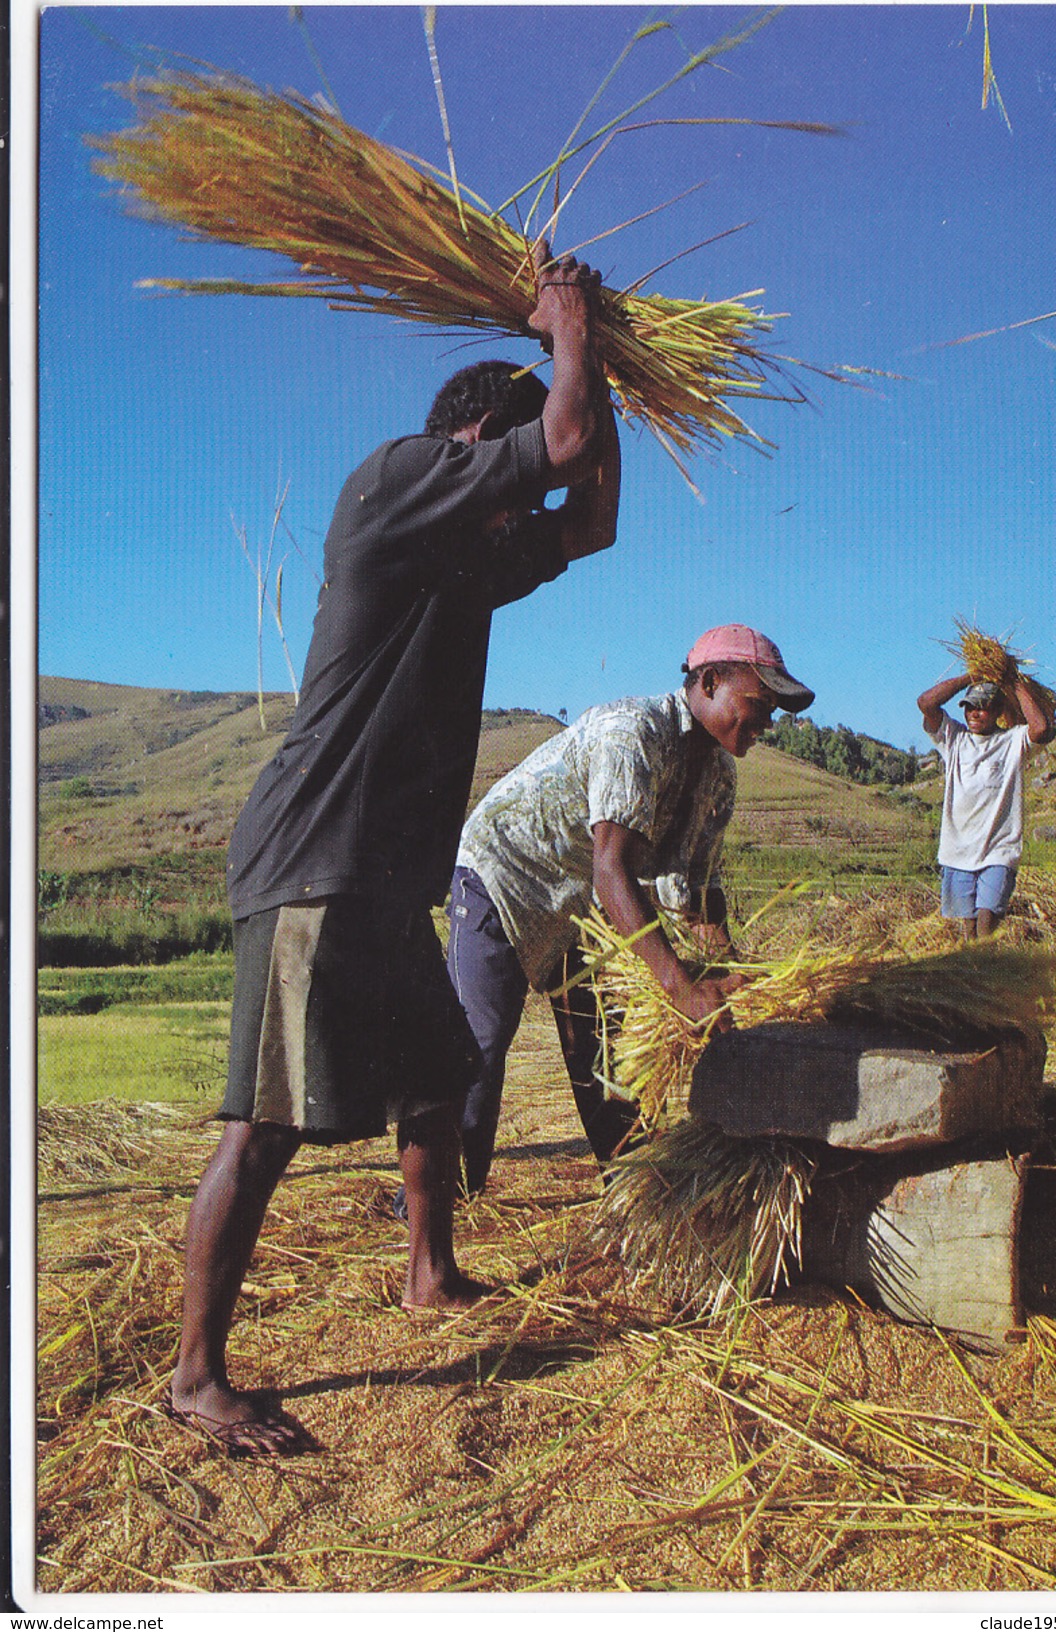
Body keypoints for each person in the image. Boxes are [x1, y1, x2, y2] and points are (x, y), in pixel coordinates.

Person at [166, 241, 618, 1453]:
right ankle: (195, 1373)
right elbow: (559, 451)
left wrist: (597, 362)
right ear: (471, 443)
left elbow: (594, 517)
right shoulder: (394, 481)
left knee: (433, 1080)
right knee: (265, 1124)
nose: (521, 507)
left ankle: (429, 1273)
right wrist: (565, 325)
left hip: (386, 874)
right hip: (316, 856)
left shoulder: (464, 561)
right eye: (508, 472)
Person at [394, 624, 815, 1209]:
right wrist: (680, 988)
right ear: (711, 681)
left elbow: (697, 901)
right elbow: (611, 870)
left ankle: (633, 1185)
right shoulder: (632, 732)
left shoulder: (718, 777)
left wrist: (738, 983)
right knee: (477, 1047)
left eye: (774, 711)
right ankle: (438, 1204)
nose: (767, 722)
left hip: (587, 913)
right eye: (759, 703)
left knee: (604, 1057)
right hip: (505, 880)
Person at [917, 670, 1056, 937]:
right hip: (958, 850)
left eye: (983, 708)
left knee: (987, 917)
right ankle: (975, 970)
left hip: (999, 849)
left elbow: (1039, 728)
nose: (974, 714)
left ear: (998, 712)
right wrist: (971, 676)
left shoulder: (1012, 741)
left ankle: (986, 963)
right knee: (968, 925)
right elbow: (926, 703)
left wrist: (1013, 681)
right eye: (970, 708)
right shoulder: (954, 738)